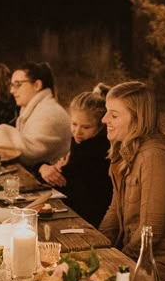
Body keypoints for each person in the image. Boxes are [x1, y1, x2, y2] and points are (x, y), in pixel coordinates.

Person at [99, 80, 165, 281]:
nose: (104, 119)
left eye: (114, 114)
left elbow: (151, 229)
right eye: (106, 111)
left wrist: (116, 263)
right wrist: (96, 248)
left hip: (162, 263)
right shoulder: (123, 153)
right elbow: (114, 210)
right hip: (136, 255)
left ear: (137, 119)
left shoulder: (153, 157)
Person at [38, 89, 112, 228]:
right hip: (76, 210)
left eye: (86, 127)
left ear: (101, 126)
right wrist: (45, 167)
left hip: (90, 219)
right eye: (74, 124)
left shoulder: (98, 148)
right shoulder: (81, 142)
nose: (77, 131)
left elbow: (60, 181)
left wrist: (44, 168)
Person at [0, 62, 71, 169]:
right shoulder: (35, 108)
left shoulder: (50, 113)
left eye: (17, 85)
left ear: (37, 85)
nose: (12, 91)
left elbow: (29, 153)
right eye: (12, 85)